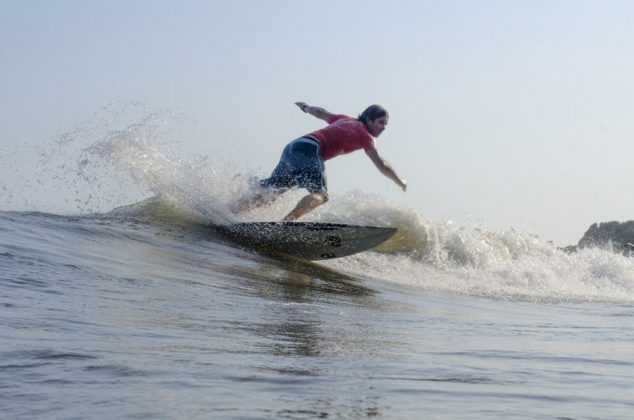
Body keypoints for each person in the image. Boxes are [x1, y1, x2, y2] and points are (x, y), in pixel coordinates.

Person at [232, 102, 407, 221]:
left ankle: (228, 211)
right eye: (380, 122)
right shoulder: (365, 135)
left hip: (293, 147)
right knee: (321, 195)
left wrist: (305, 107)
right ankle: (287, 223)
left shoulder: (345, 119)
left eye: (385, 124)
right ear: (368, 119)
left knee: (270, 193)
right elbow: (380, 163)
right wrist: (399, 180)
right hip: (310, 150)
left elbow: (321, 113)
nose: (383, 127)